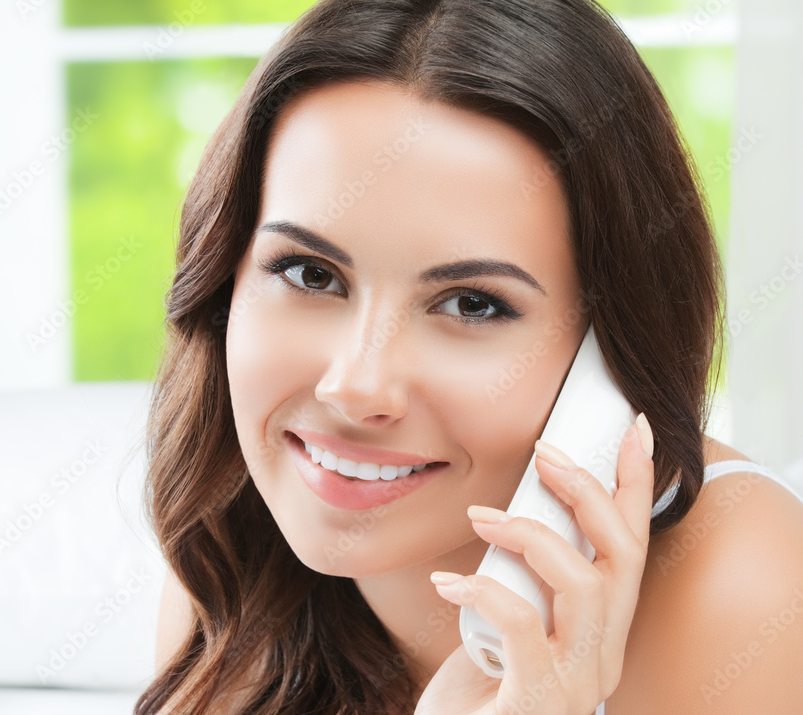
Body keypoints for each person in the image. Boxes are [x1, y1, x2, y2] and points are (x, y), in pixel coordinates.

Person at [134, 0, 803, 712]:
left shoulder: (742, 587)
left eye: (472, 304)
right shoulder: (233, 557)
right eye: (310, 274)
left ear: (605, 355)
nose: (355, 386)